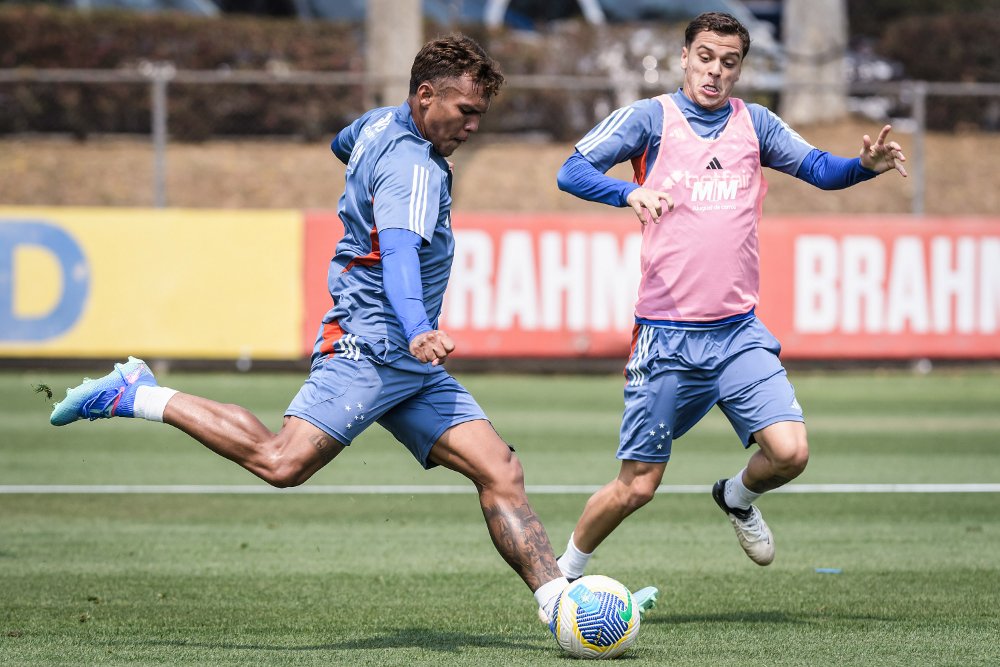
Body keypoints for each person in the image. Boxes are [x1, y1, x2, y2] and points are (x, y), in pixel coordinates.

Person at [48, 34, 582, 626]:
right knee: (281, 462)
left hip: (407, 363)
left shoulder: (379, 124)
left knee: (500, 470)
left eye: (480, 113)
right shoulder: (412, 168)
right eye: (466, 111)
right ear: (427, 95)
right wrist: (417, 327)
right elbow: (399, 254)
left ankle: (560, 605)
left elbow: (340, 143)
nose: (474, 125)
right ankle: (137, 394)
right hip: (370, 348)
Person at [553, 12, 907, 577]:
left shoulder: (755, 123)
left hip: (737, 333)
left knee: (790, 453)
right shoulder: (650, 118)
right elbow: (571, 171)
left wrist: (863, 167)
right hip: (667, 338)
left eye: (728, 62)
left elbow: (820, 169)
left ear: (740, 69)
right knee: (637, 486)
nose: (714, 71)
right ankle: (561, 578)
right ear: (685, 58)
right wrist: (627, 193)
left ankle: (737, 496)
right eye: (705, 58)